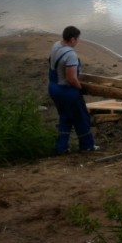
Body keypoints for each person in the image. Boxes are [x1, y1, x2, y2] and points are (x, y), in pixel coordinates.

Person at [47, 26, 98, 154]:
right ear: (72, 39)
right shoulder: (70, 55)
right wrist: (81, 88)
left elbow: (50, 62)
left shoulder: (56, 45)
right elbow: (71, 78)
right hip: (66, 91)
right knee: (81, 117)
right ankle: (87, 146)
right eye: (78, 38)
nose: (78, 41)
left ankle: (62, 147)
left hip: (53, 87)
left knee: (65, 117)